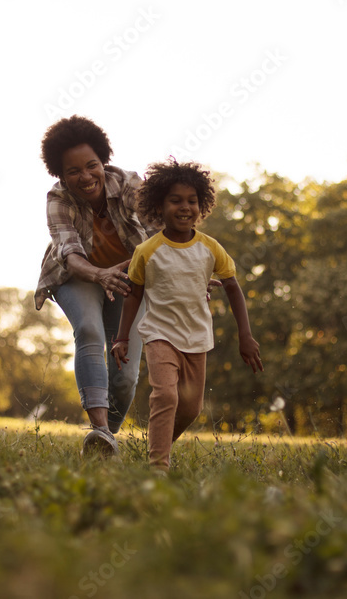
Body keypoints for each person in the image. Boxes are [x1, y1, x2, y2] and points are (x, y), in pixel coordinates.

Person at [111, 159, 263, 472]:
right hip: (159, 334)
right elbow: (134, 293)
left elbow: (233, 287)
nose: (185, 207)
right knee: (166, 395)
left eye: (192, 201)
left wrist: (245, 335)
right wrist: (122, 337)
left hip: (197, 338)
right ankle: (158, 467)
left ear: (201, 205)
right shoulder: (147, 250)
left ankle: (158, 443)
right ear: (159, 205)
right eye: (175, 200)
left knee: (190, 409)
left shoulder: (210, 247)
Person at [35, 116, 153, 456]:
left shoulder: (130, 185)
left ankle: (105, 442)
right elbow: (69, 254)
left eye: (92, 166)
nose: (85, 177)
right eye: (73, 171)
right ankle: (99, 427)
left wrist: (194, 272)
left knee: (126, 374)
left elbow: (165, 234)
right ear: (60, 174)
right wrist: (100, 275)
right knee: (88, 329)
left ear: (104, 161)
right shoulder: (58, 199)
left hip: (130, 279)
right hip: (78, 277)